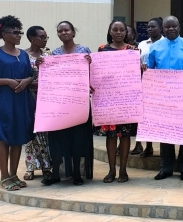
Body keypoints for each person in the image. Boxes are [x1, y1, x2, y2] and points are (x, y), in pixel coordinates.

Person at [0, 15, 35, 191]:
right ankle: (4, 176)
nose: (19, 35)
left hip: (20, 101)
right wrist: (8, 81)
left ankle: (13, 174)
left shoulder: (24, 55)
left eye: (20, 32)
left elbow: (30, 75)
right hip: (1, 102)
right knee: (4, 138)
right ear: (3, 33)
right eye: (15, 32)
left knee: (18, 139)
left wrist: (26, 81)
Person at [40, 21, 94, 186]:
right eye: (60, 31)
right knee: (59, 138)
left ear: (73, 32)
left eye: (66, 30)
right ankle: (57, 173)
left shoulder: (84, 51)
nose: (63, 33)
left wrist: (91, 62)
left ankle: (77, 173)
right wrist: (42, 65)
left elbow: (93, 73)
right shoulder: (54, 53)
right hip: (60, 103)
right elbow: (51, 76)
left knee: (78, 138)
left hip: (79, 102)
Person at [147, 16, 183, 181]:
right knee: (165, 135)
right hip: (163, 98)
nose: (170, 29)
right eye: (167, 26)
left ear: (179, 26)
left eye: (173, 26)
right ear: (163, 29)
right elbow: (150, 72)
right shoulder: (155, 47)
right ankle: (166, 168)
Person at [98, 20, 138, 183]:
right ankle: (111, 170)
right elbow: (97, 73)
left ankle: (123, 170)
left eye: (122, 30)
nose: (119, 32)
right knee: (111, 135)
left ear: (126, 33)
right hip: (108, 99)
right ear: (110, 31)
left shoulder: (132, 50)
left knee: (125, 135)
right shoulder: (102, 49)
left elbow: (135, 74)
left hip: (126, 99)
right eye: (115, 29)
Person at [23, 26, 52, 181]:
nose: (45, 40)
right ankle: (30, 168)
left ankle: (47, 166)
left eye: (46, 37)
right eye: (42, 37)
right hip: (28, 98)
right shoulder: (23, 55)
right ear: (32, 38)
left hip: (45, 99)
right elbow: (22, 79)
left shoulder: (48, 55)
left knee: (44, 134)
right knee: (29, 135)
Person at [132, 17, 164, 157]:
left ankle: (165, 147)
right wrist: (140, 66)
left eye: (153, 26)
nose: (150, 29)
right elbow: (134, 62)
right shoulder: (142, 44)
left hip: (162, 85)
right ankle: (148, 146)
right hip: (143, 83)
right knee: (146, 116)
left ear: (161, 28)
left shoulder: (166, 43)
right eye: (148, 27)